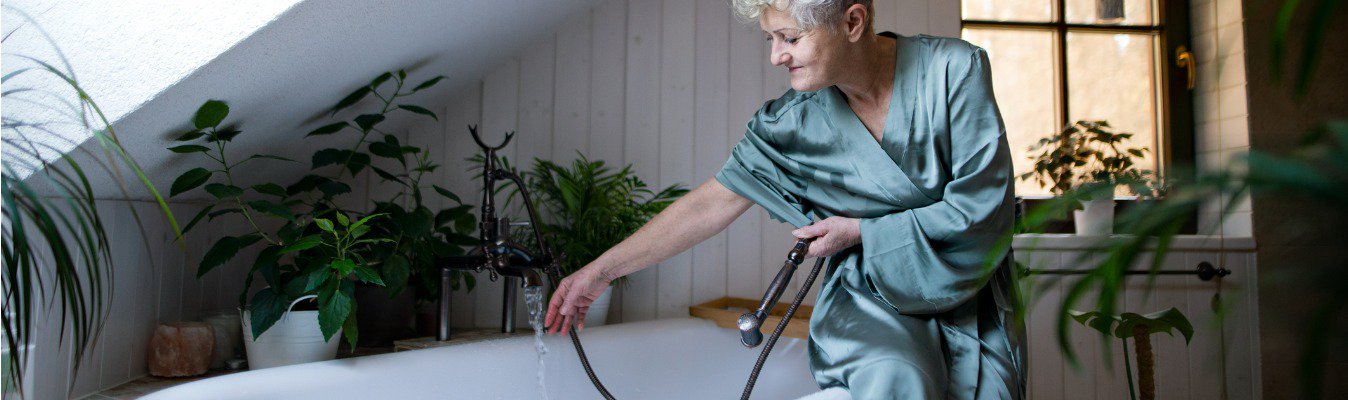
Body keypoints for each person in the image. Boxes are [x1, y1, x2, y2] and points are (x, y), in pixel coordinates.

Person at [544, 1, 1025, 398]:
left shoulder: (954, 70)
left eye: (790, 39)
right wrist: (600, 272)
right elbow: (712, 202)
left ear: (852, 22)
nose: (776, 56)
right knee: (892, 376)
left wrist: (860, 231)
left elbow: (985, 207)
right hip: (875, 298)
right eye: (770, 39)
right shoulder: (790, 123)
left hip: (972, 294)